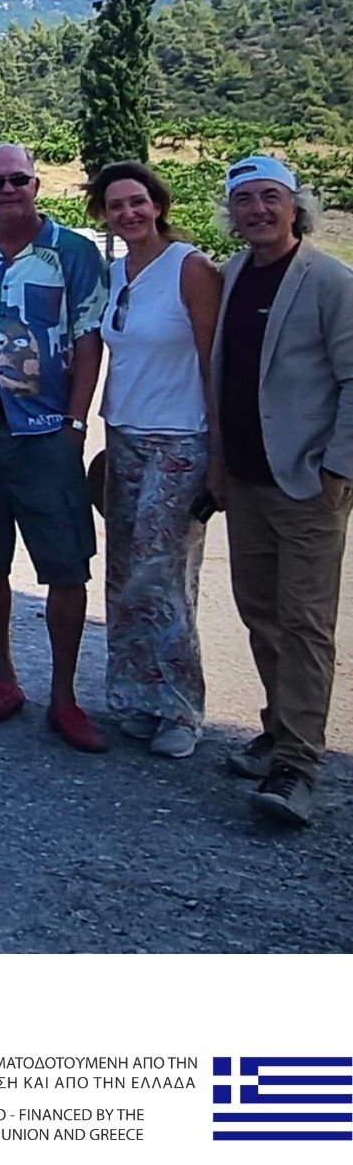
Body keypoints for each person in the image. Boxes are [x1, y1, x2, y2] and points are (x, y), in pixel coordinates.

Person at [0, 144, 107, 751]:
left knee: (65, 562)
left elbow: (89, 340)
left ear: (37, 185)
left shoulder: (73, 254)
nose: (7, 191)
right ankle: (4, 678)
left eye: (18, 180)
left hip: (48, 428)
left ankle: (64, 696)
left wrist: (76, 423)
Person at [210, 155, 353, 827]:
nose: (258, 210)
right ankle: (277, 729)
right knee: (261, 612)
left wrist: (338, 468)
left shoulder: (329, 281)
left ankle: (298, 764)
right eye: (244, 199)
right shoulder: (233, 274)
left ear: (297, 206)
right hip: (246, 479)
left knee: (305, 623)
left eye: (271, 196)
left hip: (307, 483)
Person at [86, 160, 220, 759]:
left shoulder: (189, 267)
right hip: (125, 435)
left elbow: (214, 360)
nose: (128, 213)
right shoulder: (117, 273)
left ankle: (180, 709)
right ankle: (135, 698)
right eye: (116, 205)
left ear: (158, 205)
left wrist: (218, 451)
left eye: (137, 201)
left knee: (162, 577)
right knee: (123, 575)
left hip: (180, 439)